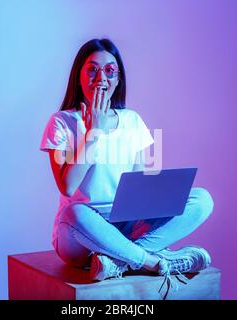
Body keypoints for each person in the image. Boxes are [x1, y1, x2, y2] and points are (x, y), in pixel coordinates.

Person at [39, 38, 214, 287]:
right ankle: (152, 262)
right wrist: (93, 134)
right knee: (73, 212)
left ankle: (118, 261)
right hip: (79, 234)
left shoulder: (132, 120)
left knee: (202, 199)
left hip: (124, 225)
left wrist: (154, 207)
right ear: (78, 75)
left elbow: (138, 188)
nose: (101, 78)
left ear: (118, 79)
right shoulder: (61, 122)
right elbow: (67, 187)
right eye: (92, 69)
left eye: (110, 70)